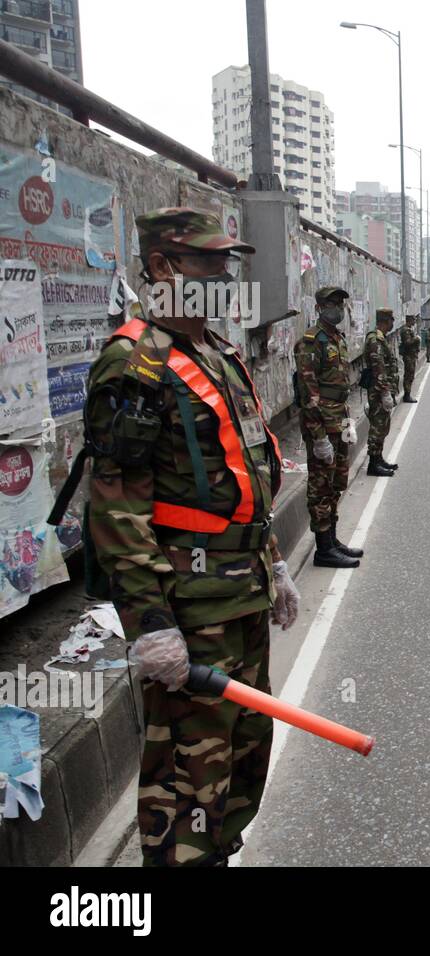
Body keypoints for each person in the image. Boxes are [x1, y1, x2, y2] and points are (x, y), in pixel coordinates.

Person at [85, 207, 299, 866]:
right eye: (207, 263)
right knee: (189, 789)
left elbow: (247, 472)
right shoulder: (135, 364)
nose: (222, 275)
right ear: (161, 268)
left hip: (241, 600)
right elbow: (117, 505)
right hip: (190, 612)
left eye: (225, 264)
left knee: (240, 766)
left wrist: (275, 564)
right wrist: (150, 621)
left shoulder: (216, 352)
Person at [295, 286, 363, 568]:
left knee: (336, 483)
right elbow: (307, 395)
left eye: (341, 303)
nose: (338, 308)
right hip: (322, 423)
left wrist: (348, 424)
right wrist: (319, 435)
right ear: (320, 306)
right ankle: (323, 549)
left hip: (341, 419)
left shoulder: (337, 338)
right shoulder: (312, 342)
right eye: (333, 303)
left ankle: (332, 539)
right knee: (321, 486)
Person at [363, 310, 399, 477]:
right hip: (378, 392)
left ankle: (378, 459)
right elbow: (378, 367)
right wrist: (385, 391)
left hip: (382, 390)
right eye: (392, 320)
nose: (393, 324)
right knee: (377, 428)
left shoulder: (380, 338)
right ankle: (373, 464)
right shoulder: (375, 339)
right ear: (386, 321)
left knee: (383, 427)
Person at [398, 314, 420, 402]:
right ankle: (407, 395)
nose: (415, 322)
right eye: (413, 320)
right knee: (408, 375)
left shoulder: (408, 329)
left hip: (411, 355)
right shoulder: (405, 330)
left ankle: (408, 394)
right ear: (409, 320)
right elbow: (407, 343)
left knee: (410, 375)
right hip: (408, 356)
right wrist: (416, 339)